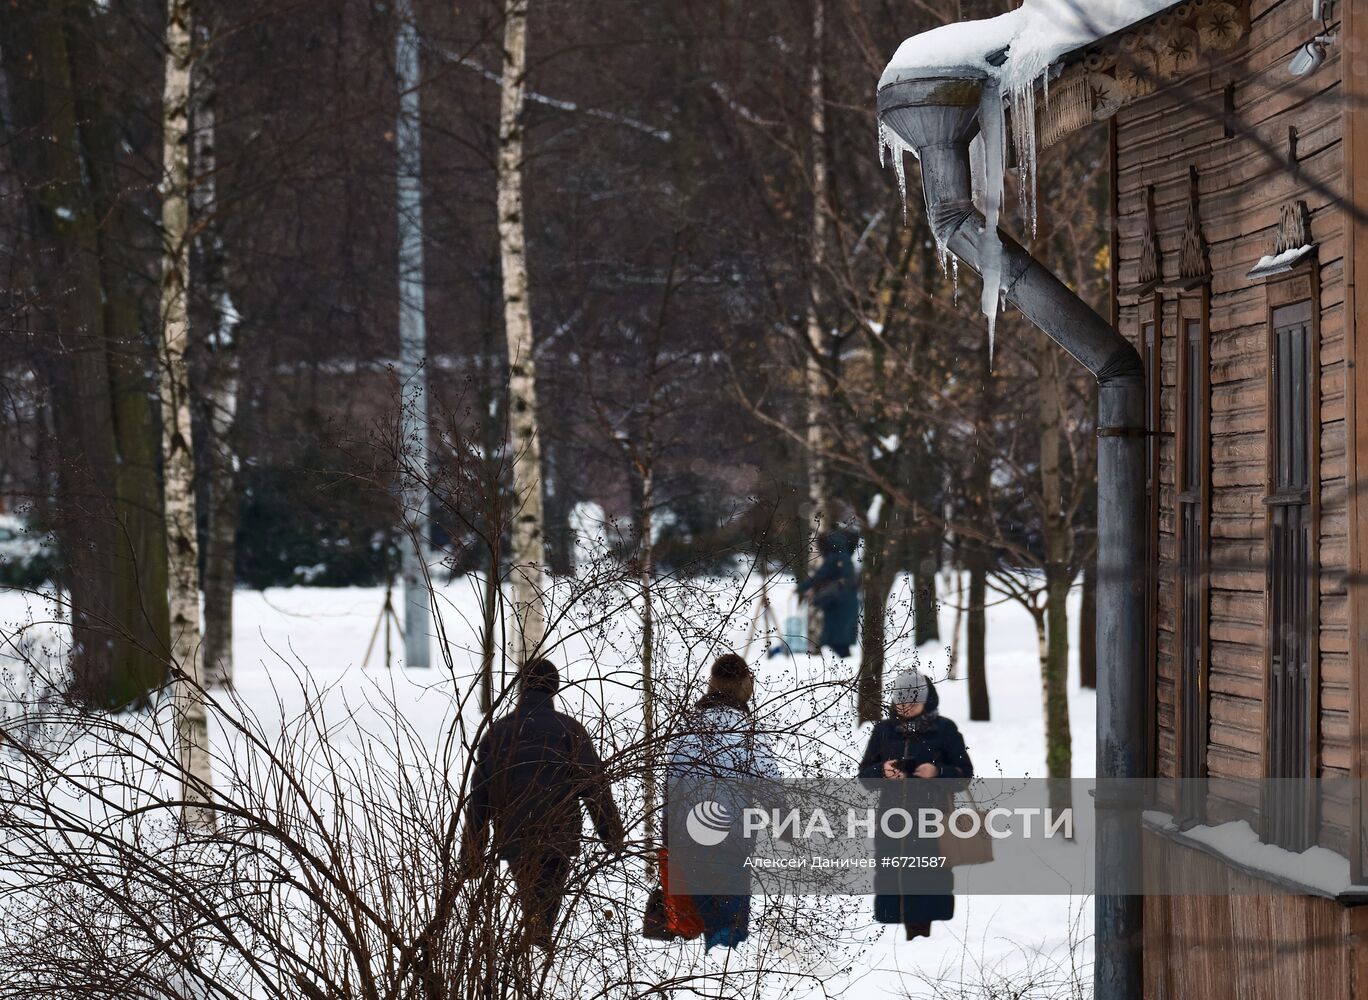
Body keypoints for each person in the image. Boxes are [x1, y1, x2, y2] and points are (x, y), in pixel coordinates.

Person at [463, 658, 625, 953]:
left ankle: (535, 940)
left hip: (514, 832)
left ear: (521, 688)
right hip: (559, 833)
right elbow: (594, 787)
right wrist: (611, 834)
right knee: (548, 892)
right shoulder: (570, 729)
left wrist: (472, 852)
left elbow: (480, 796)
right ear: (556, 688)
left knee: (531, 891)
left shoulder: (497, 733)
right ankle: (538, 941)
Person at [666, 653, 782, 951]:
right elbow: (772, 788)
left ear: (712, 683)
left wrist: (667, 839)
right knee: (729, 933)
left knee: (697, 920)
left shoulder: (686, 727)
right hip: (732, 844)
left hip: (688, 840)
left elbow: (672, 787)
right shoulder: (749, 733)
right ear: (745, 685)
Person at [857, 668, 973, 941]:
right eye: (900, 702)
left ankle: (925, 939)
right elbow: (865, 776)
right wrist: (882, 772)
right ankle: (889, 941)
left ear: (927, 701)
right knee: (892, 879)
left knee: (929, 881)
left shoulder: (944, 730)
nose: (905, 708)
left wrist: (937, 772)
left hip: (933, 823)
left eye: (912, 702)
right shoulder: (884, 731)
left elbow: (964, 775)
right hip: (892, 822)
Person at [797, 528, 860, 657]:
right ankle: (846, 661)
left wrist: (802, 588)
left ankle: (846, 663)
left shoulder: (835, 557)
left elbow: (820, 575)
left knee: (837, 638)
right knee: (841, 637)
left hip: (839, 602)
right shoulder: (844, 555)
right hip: (845, 601)